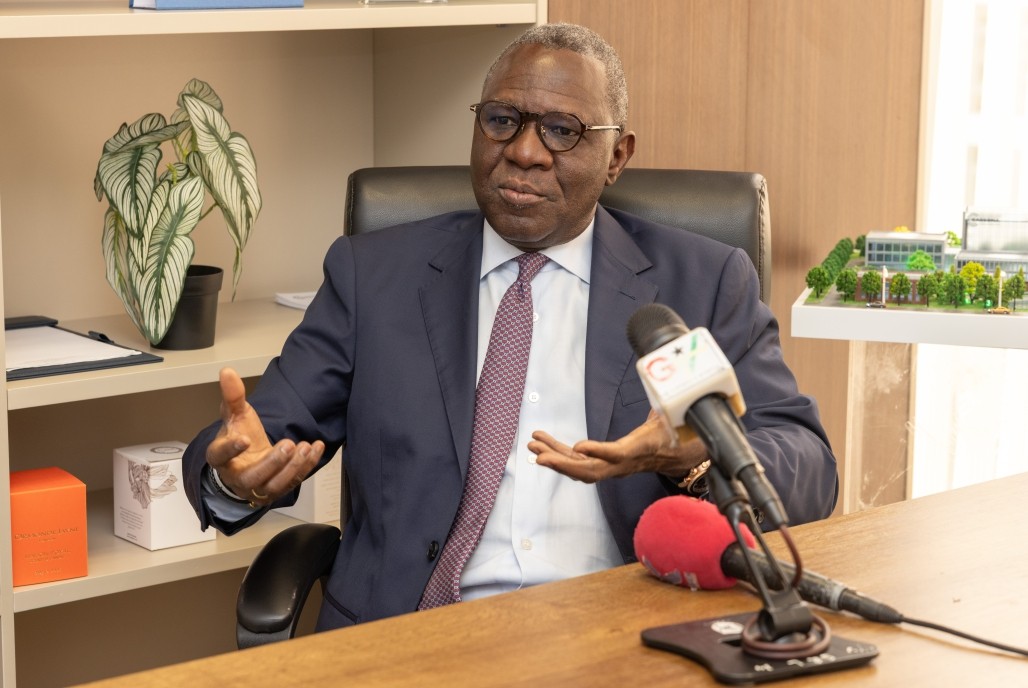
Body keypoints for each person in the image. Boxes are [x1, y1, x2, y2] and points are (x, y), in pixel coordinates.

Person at [183, 22, 838, 631]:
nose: (524, 152)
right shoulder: (375, 276)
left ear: (617, 156)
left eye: (562, 131)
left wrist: (696, 457)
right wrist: (232, 477)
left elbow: (807, 466)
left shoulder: (699, 284)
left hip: (623, 635)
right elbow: (259, 433)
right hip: (413, 638)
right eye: (502, 121)